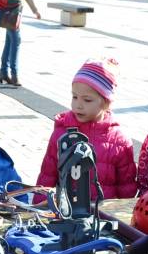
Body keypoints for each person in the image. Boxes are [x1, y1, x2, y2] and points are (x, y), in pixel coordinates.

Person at [35, 58, 137, 199]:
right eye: (75, 97)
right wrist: (40, 207)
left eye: (87, 100)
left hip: (103, 216)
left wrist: (123, 216)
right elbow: (47, 177)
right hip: (66, 214)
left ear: (106, 103)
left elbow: (126, 187)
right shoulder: (61, 133)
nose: (78, 105)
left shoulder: (119, 141)